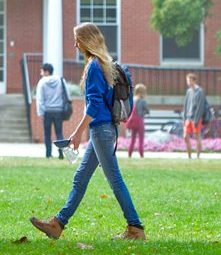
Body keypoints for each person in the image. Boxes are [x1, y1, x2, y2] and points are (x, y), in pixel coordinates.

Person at [29, 23, 146, 241]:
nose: (75, 44)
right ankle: (57, 224)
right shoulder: (106, 63)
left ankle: (135, 227)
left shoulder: (94, 66)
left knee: (115, 180)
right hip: (105, 129)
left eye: (78, 40)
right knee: (80, 178)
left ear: (87, 41)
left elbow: (93, 106)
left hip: (100, 130)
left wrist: (76, 133)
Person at [35, 62, 71, 159]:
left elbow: (40, 99)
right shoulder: (60, 80)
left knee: (47, 133)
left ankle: (48, 154)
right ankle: (60, 152)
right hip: (58, 111)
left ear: (46, 72)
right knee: (59, 132)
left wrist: (40, 113)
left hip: (47, 111)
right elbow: (67, 94)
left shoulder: (42, 82)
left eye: (42, 71)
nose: (41, 73)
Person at [182, 72, 209, 159]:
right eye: (187, 80)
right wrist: (184, 117)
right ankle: (189, 156)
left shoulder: (200, 92)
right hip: (188, 118)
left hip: (196, 118)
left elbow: (200, 106)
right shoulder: (189, 92)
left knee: (196, 136)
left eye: (189, 80)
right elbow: (186, 105)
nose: (188, 82)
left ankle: (198, 155)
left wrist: (197, 119)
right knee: (185, 136)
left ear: (193, 81)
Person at [124, 84, 148, 157]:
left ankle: (129, 154)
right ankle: (141, 154)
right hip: (140, 120)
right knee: (141, 138)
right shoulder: (143, 101)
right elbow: (146, 110)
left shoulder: (133, 99)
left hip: (133, 121)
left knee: (132, 139)